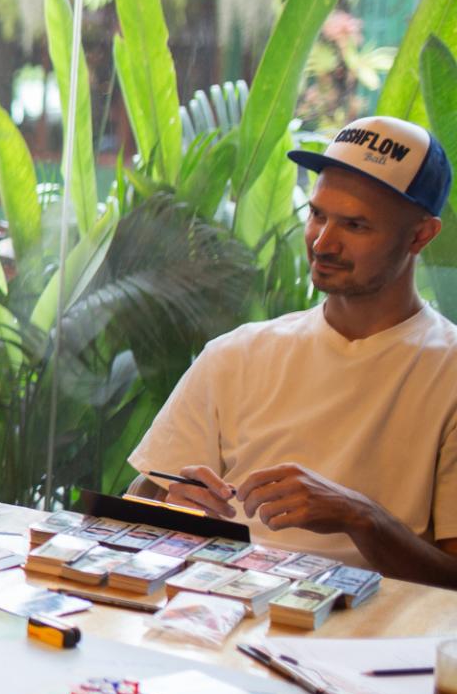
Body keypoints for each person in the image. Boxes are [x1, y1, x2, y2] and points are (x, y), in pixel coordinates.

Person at [131, 114, 457, 585]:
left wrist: (360, 517)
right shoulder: (237, 354)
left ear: (421, 235)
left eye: (355, 225)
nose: (323, 242)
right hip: (216, 606)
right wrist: (168, 504)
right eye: (317, 214)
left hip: (371, 625)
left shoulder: (447, 370)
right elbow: (140, 500)